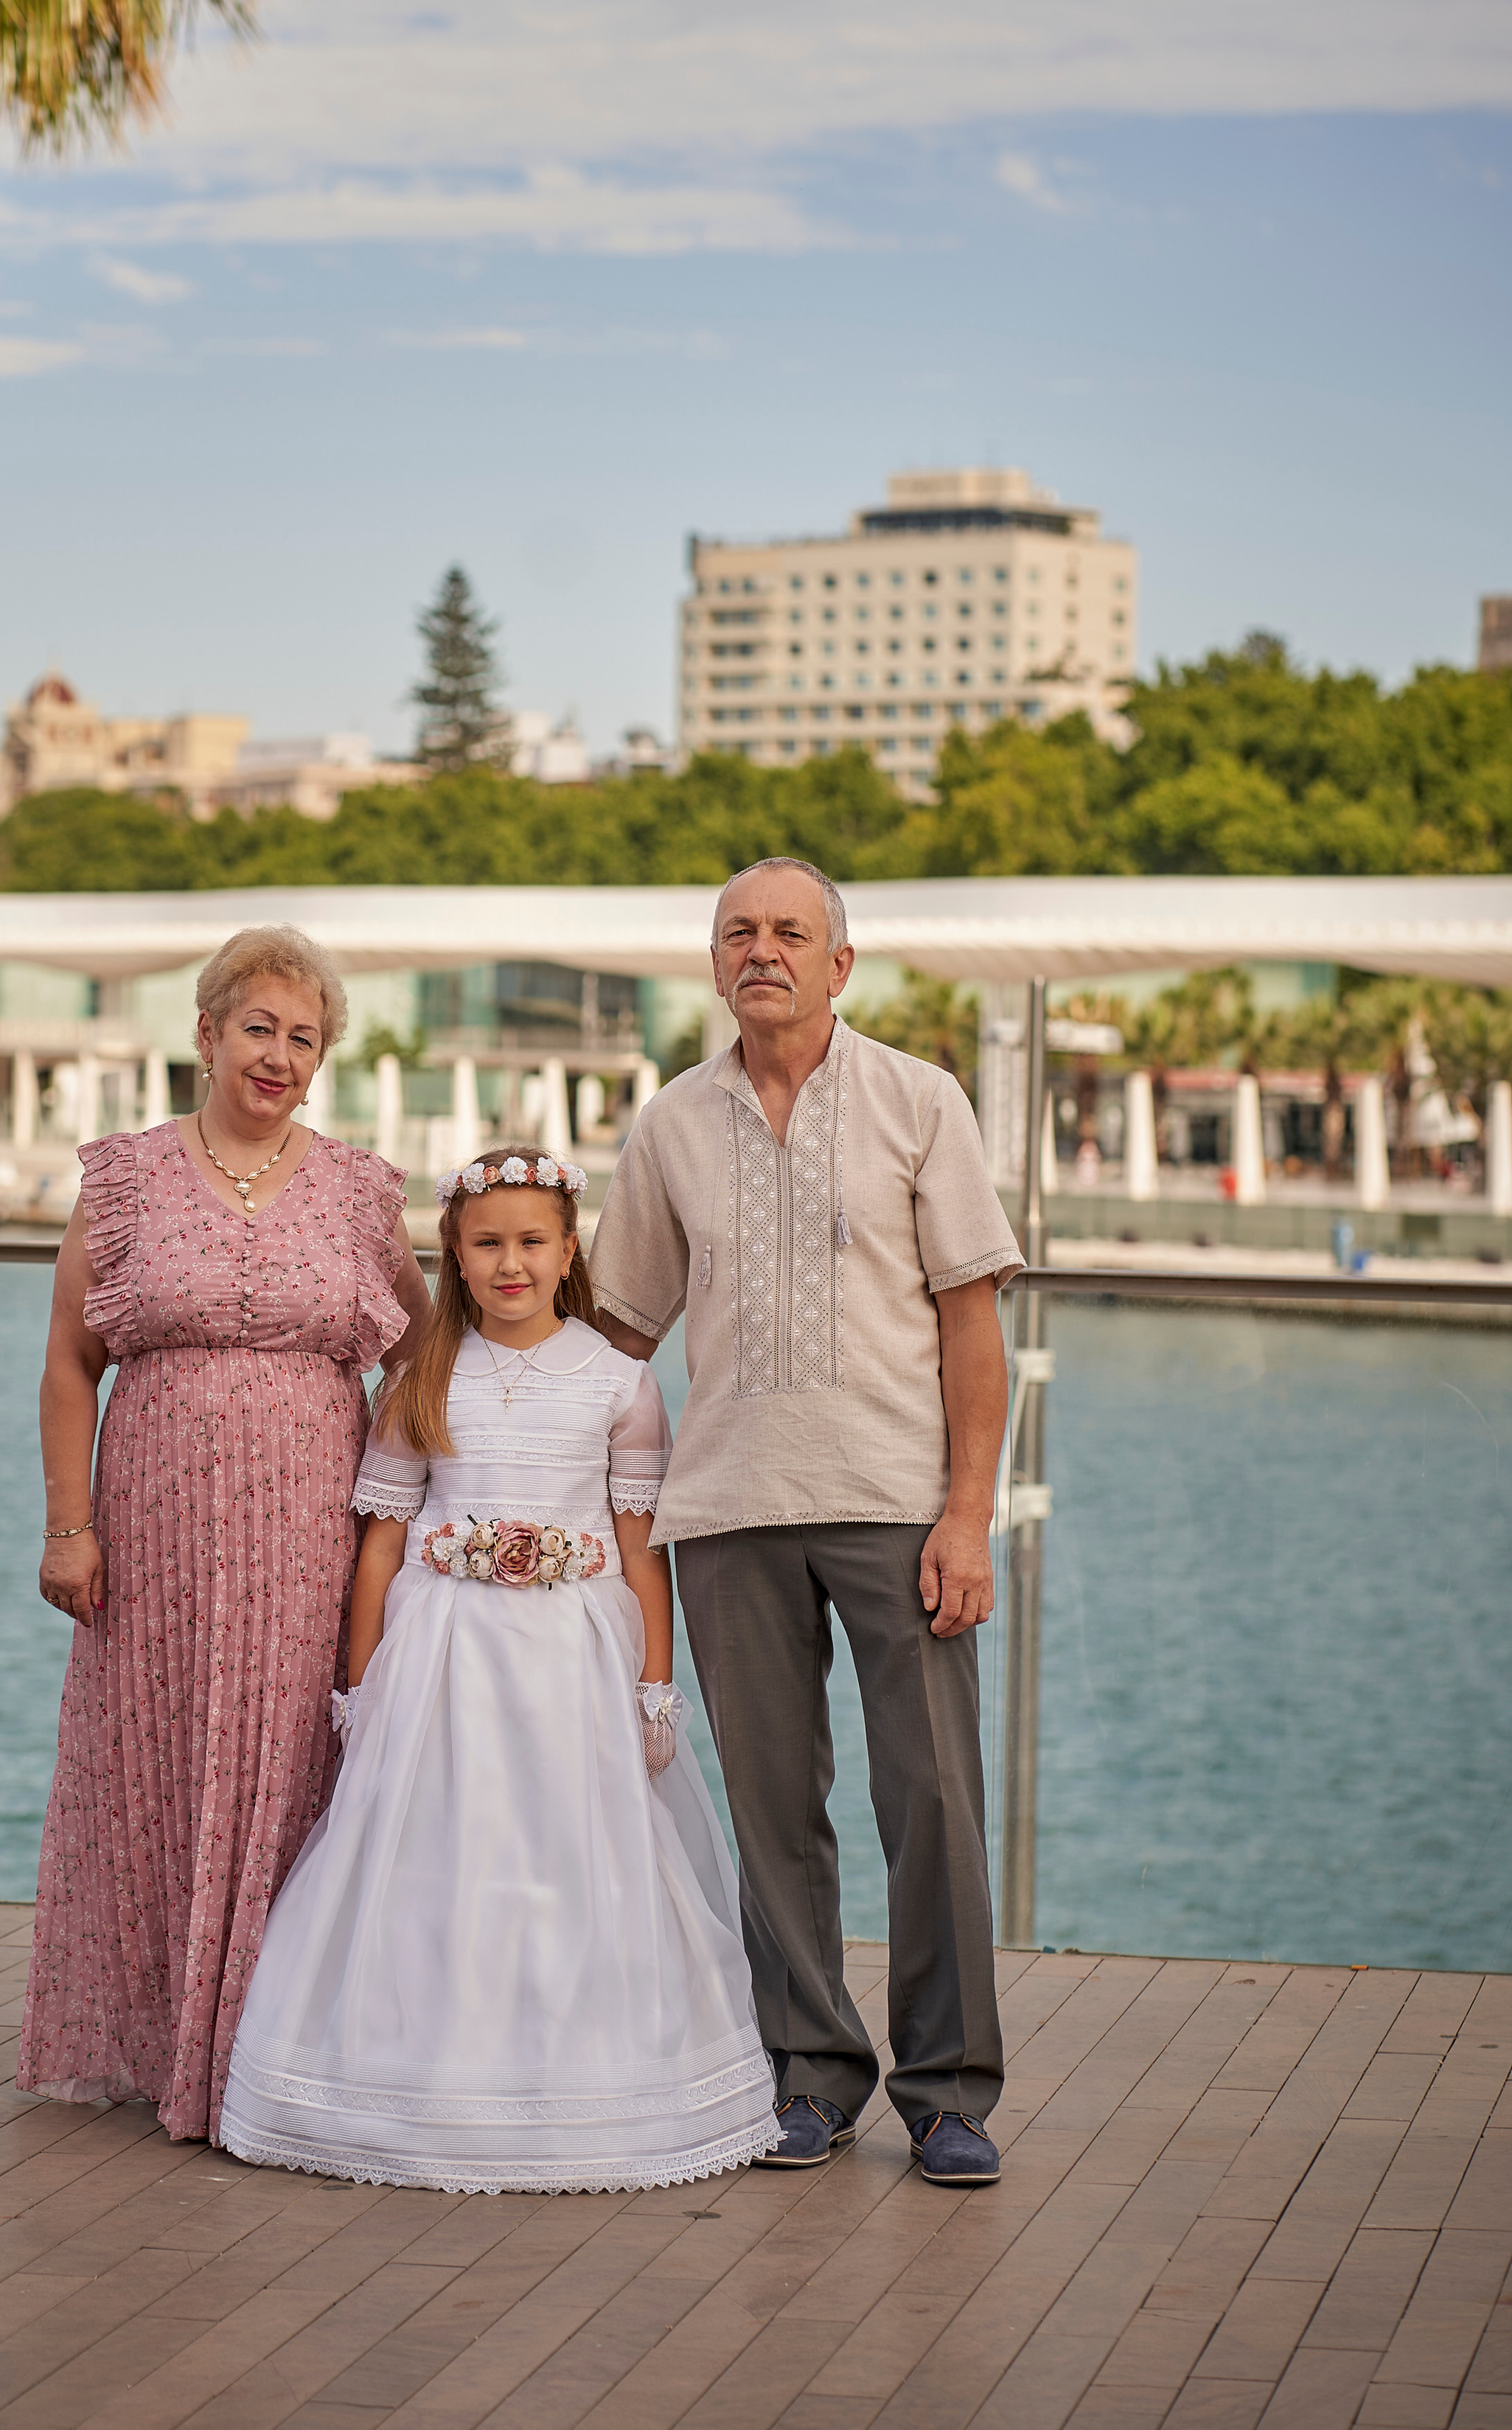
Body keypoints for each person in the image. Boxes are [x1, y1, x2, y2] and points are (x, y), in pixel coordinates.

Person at [218, 1144, 778, 2193]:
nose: (510, 1263)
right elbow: (381, 1546)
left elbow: (639, 1546)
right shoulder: (424, 1376)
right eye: (487, 1245)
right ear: (457, 1258)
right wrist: (359, 1685)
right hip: (444, 1658)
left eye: (532, 1242)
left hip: (572, 1656)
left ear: (571, 1251)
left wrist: (657, 1687)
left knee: (568, 1854)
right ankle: (412, 2084)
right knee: (439, 1852)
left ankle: (588, 2085)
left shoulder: (619, 1382)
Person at [587, 859, 1022, 2187]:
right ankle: (810, 2080)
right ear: (714, 966)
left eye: (790, 931)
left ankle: (947, 2092)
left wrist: (968, 1513)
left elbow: (971, 1321)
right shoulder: (667, 1127)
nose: (761, 950)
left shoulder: (918, 1100)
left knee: (934, 1799)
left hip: (899, 1509)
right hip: (723, 1512)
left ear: (842, 963)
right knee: (774, 1811)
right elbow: (614, 1331)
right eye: (739, 933)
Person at [15, 924, 428, 2143]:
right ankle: (165, 2045)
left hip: (312, 1529)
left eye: (304, 1039)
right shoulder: (129, 1179)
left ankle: (276, 2050)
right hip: (153, 1534)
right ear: (205, 1034)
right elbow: (65, 1366)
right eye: (259, 1028)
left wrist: (415, 1511)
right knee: (157, 1764)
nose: (280, 1056)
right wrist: (67, 1527)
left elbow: (425, 1351)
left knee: (296, 1762)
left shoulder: (359, 1189)